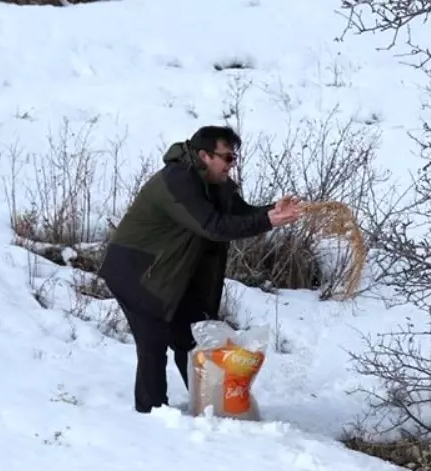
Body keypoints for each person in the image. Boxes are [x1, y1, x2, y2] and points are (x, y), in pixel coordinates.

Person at [99, 125, 302, 413]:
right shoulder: (176, 182)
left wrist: (272, 210)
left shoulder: (215, 183)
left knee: (192, 338)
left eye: (234, 158)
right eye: (228, 158)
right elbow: (213, 226)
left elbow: (239, 214)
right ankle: (151, 415)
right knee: (153, 344)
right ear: (205, 156)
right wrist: (268, 220)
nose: (232, 164)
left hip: (171, 274)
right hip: (137, 273)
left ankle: (211, 407)